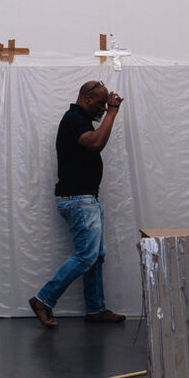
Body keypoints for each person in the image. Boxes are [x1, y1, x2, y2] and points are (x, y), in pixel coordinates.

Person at [29, 80, 128, 327]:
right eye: (100, 103)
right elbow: (95, 143)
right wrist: (113, 112)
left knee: (96, 256)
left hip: (85, 198)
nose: (103, 108)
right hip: (78, 199)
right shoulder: (74, 119)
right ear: (85, 98)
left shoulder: (80, 118)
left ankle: (95, 309)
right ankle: (43, 300)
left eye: (106, 105)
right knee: (86, 255)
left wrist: (109, 111)